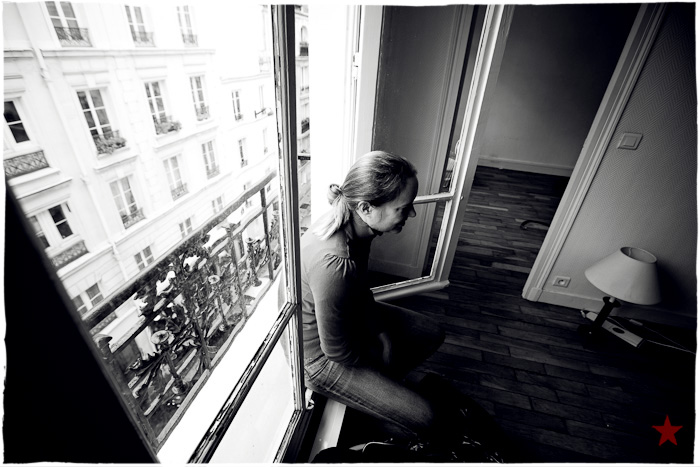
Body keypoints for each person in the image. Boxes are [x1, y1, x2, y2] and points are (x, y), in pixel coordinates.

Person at [300, 150, 449, 443]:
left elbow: (359, 290)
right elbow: (337, 352)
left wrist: (382, 334)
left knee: (431, 332)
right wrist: (379, 359)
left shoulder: (360, 227)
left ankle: (379, 395)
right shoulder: (335, 262)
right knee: (428, 419)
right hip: (317, 358)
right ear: (367, 208)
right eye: (403, 208)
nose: (411, 214)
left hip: (346, 318)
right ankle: (374, 408)